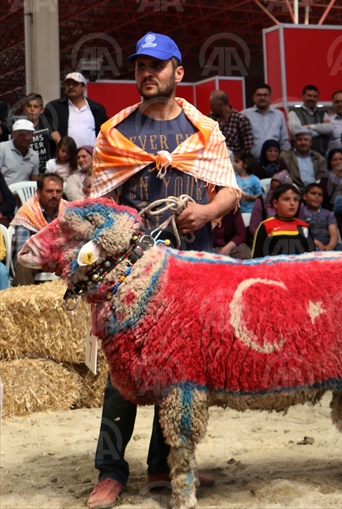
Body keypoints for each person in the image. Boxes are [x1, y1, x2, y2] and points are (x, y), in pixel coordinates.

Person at [85, 32, 239, 509]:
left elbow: (230, 190)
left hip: (190, 270)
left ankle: (160, 466)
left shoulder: (204, 130)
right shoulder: (115, 132)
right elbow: (98, 205)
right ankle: (110, 472)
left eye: (156, 65)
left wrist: (208, 213)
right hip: (131, 275)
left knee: (180, 371)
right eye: (139, 66)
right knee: (122, 374)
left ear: (179, 72)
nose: (146, 73)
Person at [9, 174, 66, 286]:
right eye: (49, 191)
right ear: (39, 193)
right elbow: (23, 251)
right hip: (35, 258)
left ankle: (77, 300)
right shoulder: (27, 213)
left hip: (61, 257)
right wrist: (49, 255)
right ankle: (24, 301)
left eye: (58, 191)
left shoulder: (68, 211)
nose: (55, 195)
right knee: (23, 264)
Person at [43, 72, 108, 147]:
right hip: (66, 156)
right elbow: (48, 125)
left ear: (84, 87)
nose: (71, 87)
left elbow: (105, 131)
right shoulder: (54, 107)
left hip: (91, 155)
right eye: (68, 84)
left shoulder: (97, 108)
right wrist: (61, 147)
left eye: (75, 84)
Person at [251, 184, 315, 257]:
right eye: (286, 199)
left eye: (296, 199)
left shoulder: (304, 226)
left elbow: (312, 256)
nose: (292, 203)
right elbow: (257, 257)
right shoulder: (266, 225)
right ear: (275, 203)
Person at [242, 83, 290, 157]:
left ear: (270, 98)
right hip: (252, 162)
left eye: (265, 95)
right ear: (254, 98)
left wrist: (286, 159)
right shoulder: (245, 114)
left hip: (274, 162)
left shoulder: (279, 115)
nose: (262, 98)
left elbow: (284, 140)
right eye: (259, 95)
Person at [287, 84, 333, 155]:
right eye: (309, 96)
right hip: (300, 156)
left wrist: (310, 126)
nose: (312, 98)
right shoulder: (293, 113)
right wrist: (321, 131)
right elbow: (296, 131)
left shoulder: (324, 114)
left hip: (321, 156)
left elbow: (330, 128)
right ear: (302, 96)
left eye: (315, 96)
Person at [248, 170, 293, 238]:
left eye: (277, 188)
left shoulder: (295, 202)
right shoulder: (262, 201)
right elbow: (253, 227)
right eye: (272, 188)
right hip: (266, 240)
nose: (272, 192)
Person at [300, 182, 342, 251]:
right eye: (313, 193)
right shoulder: (301, 212)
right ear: (305, 196)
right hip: (309, 241)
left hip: (327, 242)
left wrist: (330, 246)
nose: (317, 196)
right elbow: (302, 233)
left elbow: (334, 234)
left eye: (320, 195)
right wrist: (317, 243)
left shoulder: (329, 214)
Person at [209, 90, 254, 154]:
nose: (210, 108)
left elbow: (248, 146)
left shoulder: (240, 119)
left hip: (234, 160)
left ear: (220, 105)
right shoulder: (211, 117)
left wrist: (238, 158)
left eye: (212, 105)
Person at [22, 93, 55, 176]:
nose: (32, 109)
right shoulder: (20, 126)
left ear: (42, 110)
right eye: (29, 106)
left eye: (36, 106)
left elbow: (59, 141)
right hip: (26, 170)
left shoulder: (47, 123)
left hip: (46, 169)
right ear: (24, 108)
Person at [1, 120, 40, 186]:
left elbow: (34, 182)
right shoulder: (2, 148)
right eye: (21, 134)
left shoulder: (34, 155)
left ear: (32, 135)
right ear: (13, 134)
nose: (25, 137)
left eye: (28, 134)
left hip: (25, 193)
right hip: (4, 193)